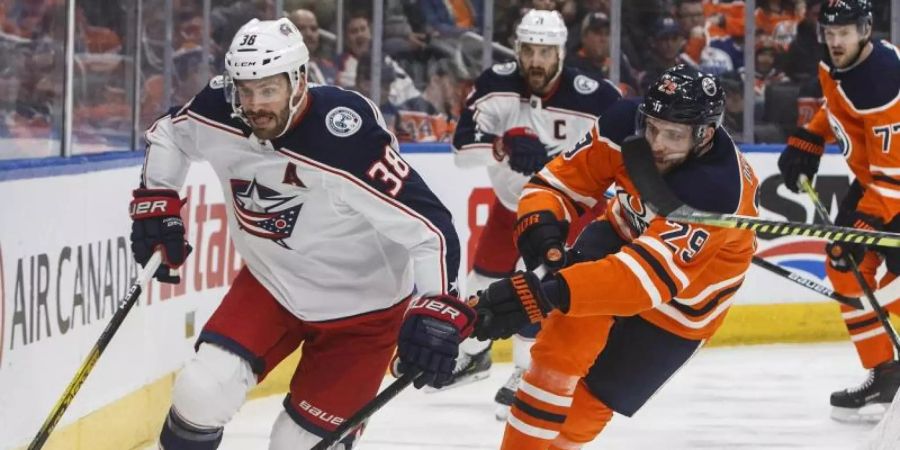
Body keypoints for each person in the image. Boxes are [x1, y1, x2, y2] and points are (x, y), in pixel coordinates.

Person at [132, 18, 472, 450]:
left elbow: (432, 229)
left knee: (297, 445)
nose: (255, 105)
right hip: (271, 284)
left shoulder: (346, 141)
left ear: (299, 82)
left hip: (363, 314)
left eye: (268, 90)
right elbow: (169, 134)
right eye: (246, 89)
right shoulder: (221, 107)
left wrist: (437, 308)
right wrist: (157, 200)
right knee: (201, 391)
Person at [471, 65, 760, 449]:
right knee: (554, 359)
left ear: (705, 134)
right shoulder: (625, 121)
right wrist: (542, 230)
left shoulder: (717, 190)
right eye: (652, 128)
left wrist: (547, 293)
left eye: (673, 135)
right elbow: (559, 183)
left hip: (683, 303)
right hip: (616, 239)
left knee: (585, 412)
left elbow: (643, 280)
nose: (656, 143)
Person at [446, 8, 621, 417]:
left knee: (537, 286)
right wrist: (501, 145)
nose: (536, 61)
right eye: (529, 51)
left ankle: (527, 372)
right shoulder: (494, 84)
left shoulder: (595, 95)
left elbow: (629, 145)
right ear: (517, 50)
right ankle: (474, 355)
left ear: (561, 52)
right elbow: (460, 152)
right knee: (481, 281)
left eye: (545, 52)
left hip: (566, 209)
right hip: (511, 203)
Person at [776, 0, 900, 423]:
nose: (835, 41)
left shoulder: (884, 81)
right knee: (845, 265)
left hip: (894, 187)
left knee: (890, 281)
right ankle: (886, 373)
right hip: (875, 184)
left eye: (844, 33)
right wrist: (812, 136)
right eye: (829, 33)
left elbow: (894, 173)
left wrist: (865, 223)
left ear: (865, 30)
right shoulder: (838, 63)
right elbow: (840, 107)